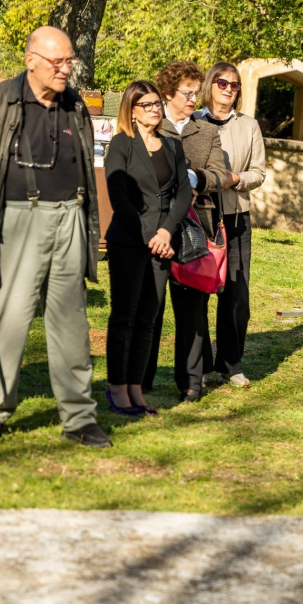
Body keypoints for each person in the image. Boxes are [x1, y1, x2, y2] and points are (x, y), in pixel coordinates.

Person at [0, 25, 111, 448]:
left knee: (71, 324)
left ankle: (79, 418)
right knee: (10, 319)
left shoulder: (75, 104)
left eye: (69, 60)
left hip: (70, 219)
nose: (65, 69)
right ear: (31, 61)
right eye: (57, 62)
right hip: (17, 220)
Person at [145, 61, 234, 402]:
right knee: (150, 306)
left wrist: (196, 178)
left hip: (197, 228)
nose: (194, 99)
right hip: (155, 226)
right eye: (188, 93)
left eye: (197, 92)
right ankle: (143, 377)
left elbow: (220, 174)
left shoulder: (208, 132)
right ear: (168, 93)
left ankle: (191, 382)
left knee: (192, 311)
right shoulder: (151, 123)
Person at [103, 81, 191, 416]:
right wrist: (149, 235)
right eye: (147, 105)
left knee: (149, 319)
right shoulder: (121, 145)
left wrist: (166, 232)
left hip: (162, 244)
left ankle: (137, 389)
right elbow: (119, 197)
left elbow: (183, 193)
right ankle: (117, 389)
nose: (155, 109)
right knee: (124, 316)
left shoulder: (172, 145)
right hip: (129, 240)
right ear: (132, 110)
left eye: (157, 104)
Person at [195, 63, 266, 389]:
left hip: (237, 218)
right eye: (222, 82)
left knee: (236, 294)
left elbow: (259, 172)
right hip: (201, 216)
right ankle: (200, 366)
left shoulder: (248, 125)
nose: (228, 88)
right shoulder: (193, 121)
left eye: (234, 85)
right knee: (198, 291)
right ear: (210, 84)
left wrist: (237, 179)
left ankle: (230, 365)